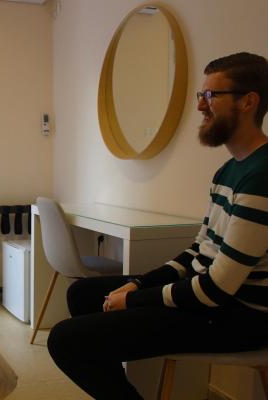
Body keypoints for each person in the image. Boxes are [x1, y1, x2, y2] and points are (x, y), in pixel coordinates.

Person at [47, 52, 268, 399]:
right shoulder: (227, 172)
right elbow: (197, 253)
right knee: (82, 293)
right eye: (201, 95)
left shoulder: (261, 177)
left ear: (248, 102)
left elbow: (217, 289)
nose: (200, 106)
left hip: (240, 317)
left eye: (211, 95)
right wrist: (137, 284)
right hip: (215, 301)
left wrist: (135, 301)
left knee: (64, 340)